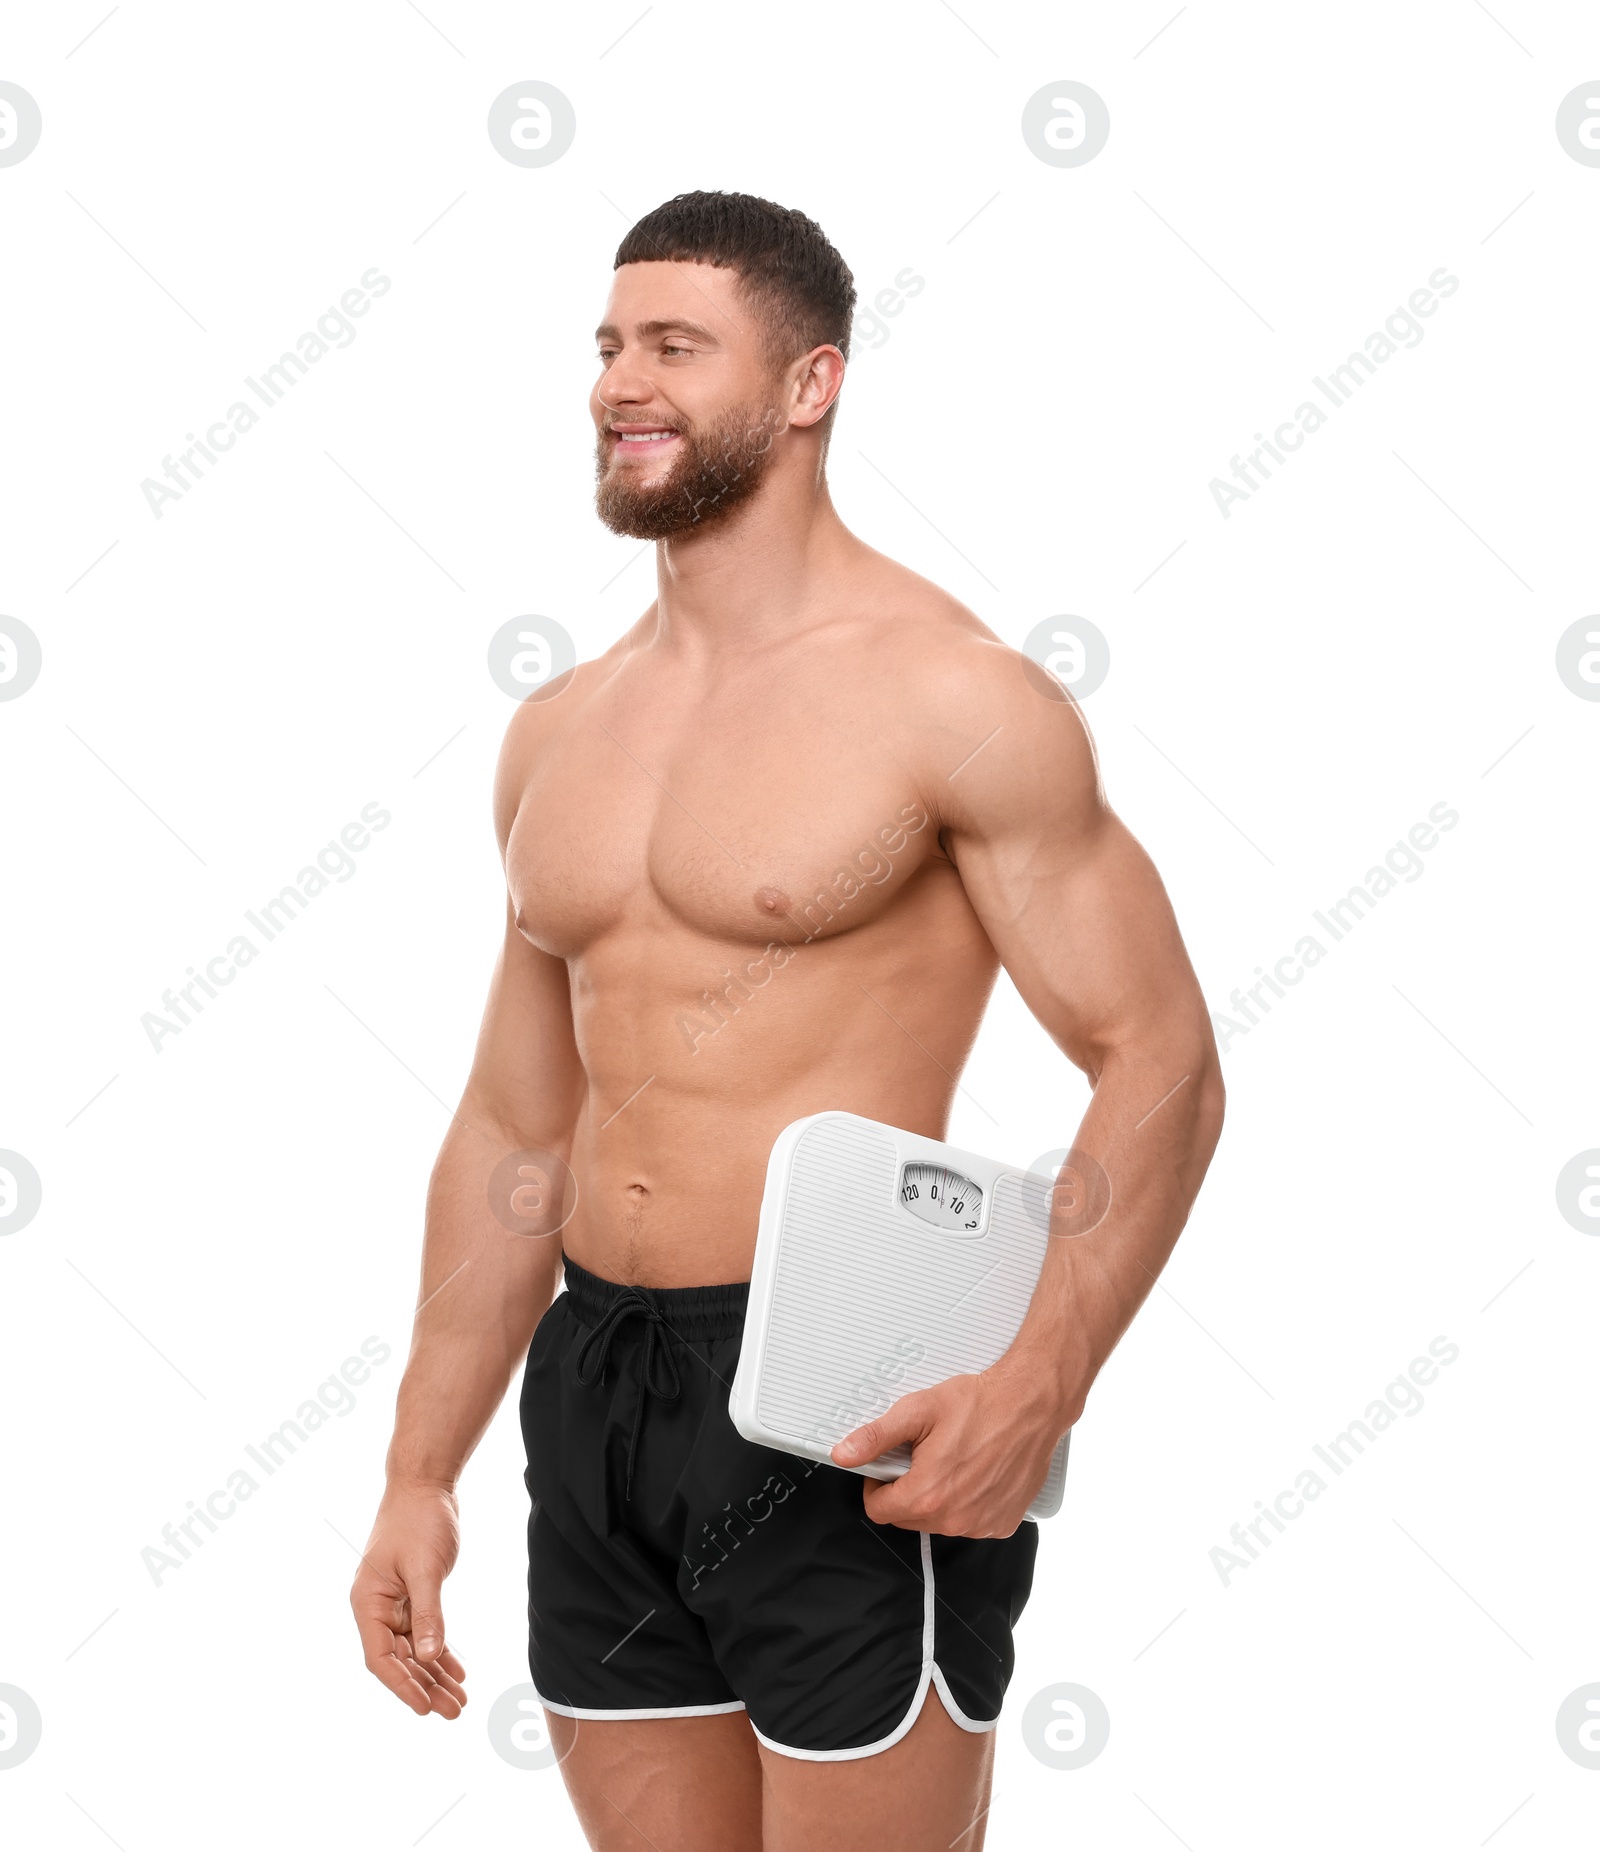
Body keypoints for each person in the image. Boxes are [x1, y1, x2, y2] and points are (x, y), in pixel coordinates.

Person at [351, 190, 1223, 1852]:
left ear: (810, 384)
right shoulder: (560, 731)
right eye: (609, 346)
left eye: (676, 345)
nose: (623, 382)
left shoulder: (951, 695)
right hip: (598, 1384)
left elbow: (1160, 1059)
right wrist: (415, 1470)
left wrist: (1046, 1377)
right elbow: (517, 1128)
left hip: (845, 1383)